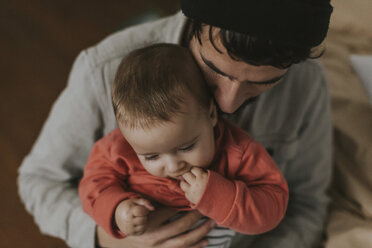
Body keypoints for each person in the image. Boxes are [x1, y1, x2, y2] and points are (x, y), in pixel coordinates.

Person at [17, 0, 333, 248]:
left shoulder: (306, 85)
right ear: (194, 25)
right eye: (214, 68)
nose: (227, 105)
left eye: (262, 83)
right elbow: (39, 180)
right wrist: (107, 239)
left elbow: (307, 205)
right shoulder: (101, 70)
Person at [78, 44, 288, 247]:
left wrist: (219, 196)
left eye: (186, 147)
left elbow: (274, 205)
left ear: (212, 114)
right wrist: (117, 210)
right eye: (151, 157)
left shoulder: (239, 152)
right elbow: (92, 185)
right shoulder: (117, 149)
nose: (172, 167)